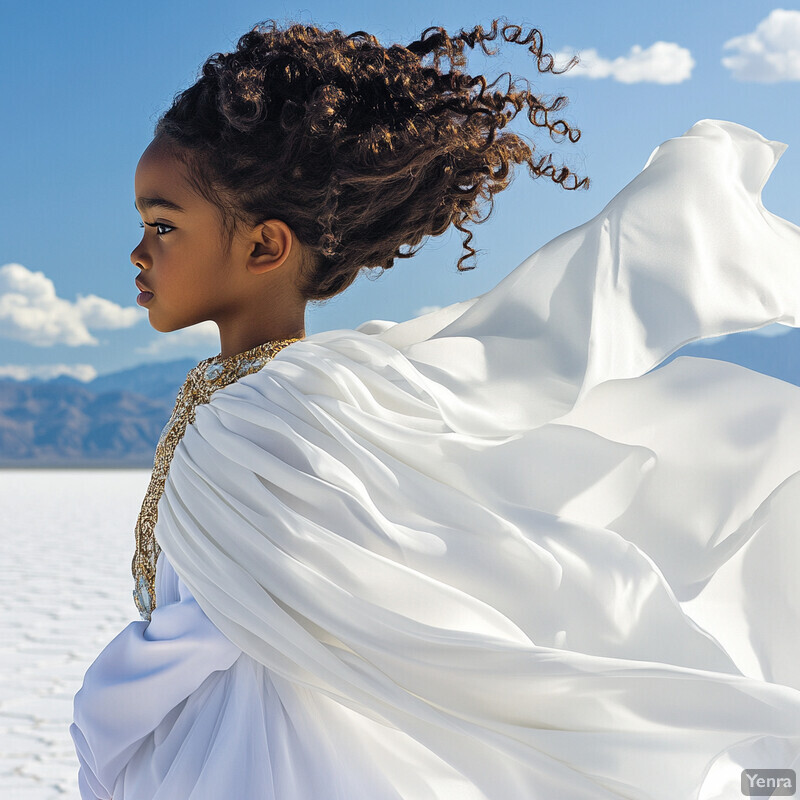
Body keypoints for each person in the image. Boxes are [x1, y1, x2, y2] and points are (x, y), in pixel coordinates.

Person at [71, 18, 800, 800]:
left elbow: (207, 626)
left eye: (163, 226)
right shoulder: (301, 391)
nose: (139, 255)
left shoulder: (262, 417)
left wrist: (103, 702)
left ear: (264, 248)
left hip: (266, 750)